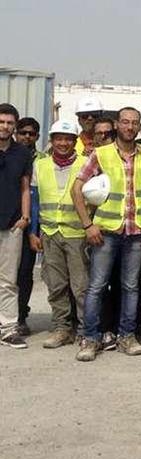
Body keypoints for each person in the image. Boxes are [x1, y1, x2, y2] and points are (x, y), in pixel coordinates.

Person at [71, 107, 141, 361]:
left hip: (136, 232)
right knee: (96, 286)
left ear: (139, 127)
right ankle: (90, 338)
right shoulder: (101, 154)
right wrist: (88, 225)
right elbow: (77, 189)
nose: (130, 127)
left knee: (131, 286)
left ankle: (126, 336)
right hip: (106, 232)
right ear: (117, 125)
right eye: (125, 122)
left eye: (134, 123)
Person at [30, 120, 89, 349]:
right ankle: (61, 328)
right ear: (51, 140)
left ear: (75, 141)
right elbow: (35, 201)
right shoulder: (40, 165)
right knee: (56, 285)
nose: (63, 143)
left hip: (76, 234)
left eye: (67, 138)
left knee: (81, 286)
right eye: (58, 138)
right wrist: (33, 232)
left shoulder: (86, 163)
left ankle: (86, 330)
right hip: (49, 232)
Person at [0, 103, 32, 349]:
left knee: (9, 281)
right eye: (1, 122)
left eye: (10, 123)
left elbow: (25, 186)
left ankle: (8, 328)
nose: (5, 126)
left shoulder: (21, 153)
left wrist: (24, 217)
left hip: (11, 226)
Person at [15, 117, 42, 336]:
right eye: (22, 132)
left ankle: (21, 316)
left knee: (25, 272)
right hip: (8, 221)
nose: (27, 137)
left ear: (37, 137)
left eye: (31, 134)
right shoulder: (9, 155)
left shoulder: (42, 161)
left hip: (32, 224)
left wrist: (35, 231)